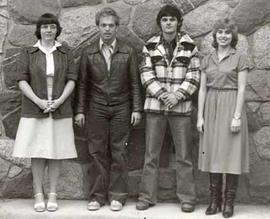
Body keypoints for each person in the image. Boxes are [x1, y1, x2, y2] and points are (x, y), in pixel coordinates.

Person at [74, 7, 143, 211]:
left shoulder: (127, 50)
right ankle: (96, 196)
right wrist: (79, 110)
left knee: (119, 151)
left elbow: (134, 83)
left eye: (111, 25)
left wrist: (137, 109)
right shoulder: (89, 52)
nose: (107, 29)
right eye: (103, 25)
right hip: (96, 108)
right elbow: (82, 84)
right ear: (98, 27)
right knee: (96, 152)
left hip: (122, 108)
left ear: (117, 27)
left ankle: (118, 196)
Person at [136, 4, 200, 212]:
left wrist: (178, 96)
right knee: (151, 155)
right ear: (160, 23)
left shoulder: (190, 45)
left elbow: (194, 75)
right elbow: (146, 73)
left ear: (178, 22)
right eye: (165, 19)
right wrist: (163, 95)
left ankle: (187, 198)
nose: (169, 23)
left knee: (184, 156)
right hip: (155, 107)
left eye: (172, 19)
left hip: (180, 109)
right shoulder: (150, 45)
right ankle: (147, 197)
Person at [12, 13, 78, 212]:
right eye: (45, 27)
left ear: (57, 30)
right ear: (38, 30)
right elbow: (22, 80)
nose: (49, 30)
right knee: (38, 152)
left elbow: (72, 80)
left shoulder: (66, 52)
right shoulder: (28, 52)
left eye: (52, 27)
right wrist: (39, 101)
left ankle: (53, 194)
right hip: (35, 107)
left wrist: (58, 101)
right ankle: (38, 193)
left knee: (55, 152)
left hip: (60, 107)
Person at [197, 18, 249, 218]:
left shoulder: (240, 57)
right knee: (213, 152)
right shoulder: (207, 58)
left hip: (231, 105)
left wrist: (237, 116)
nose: (223, 36)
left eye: (227, 32)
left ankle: (229, 202)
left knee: (232, 153)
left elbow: (242, 88)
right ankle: (214, 200)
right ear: (215, 35)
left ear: (232, 36)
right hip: (211, 106)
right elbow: (202, 89)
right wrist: (200, 117)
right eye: (220, 32)